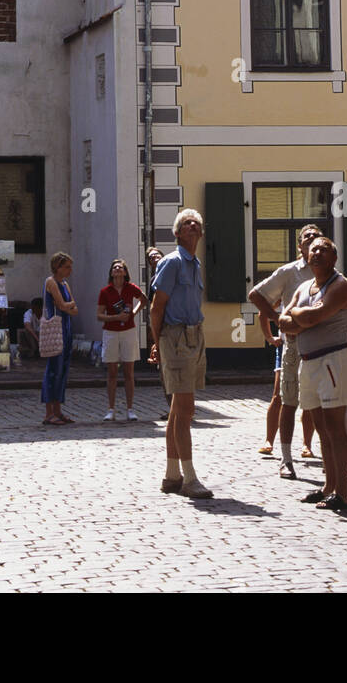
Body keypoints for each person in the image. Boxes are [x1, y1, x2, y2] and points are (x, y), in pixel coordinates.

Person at [282, 236, 347, 513]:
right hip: (308, 361)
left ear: (334, 258)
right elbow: (283, 321)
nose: (317, 253)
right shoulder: (303, 287)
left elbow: (311, 318)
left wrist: (301, 317)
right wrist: (304, 317)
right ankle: (328, 486)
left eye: (324, 250)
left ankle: (343, 493)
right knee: (321, 428)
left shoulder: (340, 286)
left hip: (332, 360)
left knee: (336, 428)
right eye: (313, 249)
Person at [149, 209, 213, 498]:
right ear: (177, 233)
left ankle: (172, 475)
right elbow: (156, 306)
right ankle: (189, 478)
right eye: (186, 223)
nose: (192, 226)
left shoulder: (195, 264)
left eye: (196, 223)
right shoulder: (172, 262)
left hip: (193, 335)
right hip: (175, 337)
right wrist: (158, 342)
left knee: (178, 409)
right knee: (186, 410)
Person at [248, 225, 319, 478]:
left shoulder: (332, 275)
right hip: (294, 345)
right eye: (306, 238)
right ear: (300, 246)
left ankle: (317, 450)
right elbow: (256, 294)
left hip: (324, 346)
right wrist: (278, 321)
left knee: (320, 403)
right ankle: (285, 458)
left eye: (317, 237)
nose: (312, 242)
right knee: (287, 400)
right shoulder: (289, 272)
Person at [97, 259, 146, 421]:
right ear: (111, 273)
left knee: (129, 372)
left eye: (120, 267)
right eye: (114, 267)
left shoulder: (131, 288)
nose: (117, 269)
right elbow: (99, 315)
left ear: (125, 272)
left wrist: (134, 313)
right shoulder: (105, 291)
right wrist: (116, 317)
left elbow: (144, 300)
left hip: (128, 331)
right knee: (112, 372)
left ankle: (130, 409)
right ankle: (110, 409)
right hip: (111, 332)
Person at [41, 253, 77, 425]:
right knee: (53, 370)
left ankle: (58, 409)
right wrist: (66, 306)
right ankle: (49, 413)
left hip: (67, 328)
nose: (70, 270)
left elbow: (73, 308)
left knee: (63, 370)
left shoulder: (64, 284)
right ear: (58, 266)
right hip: (56, 329)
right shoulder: (51, 282)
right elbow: (63, 305)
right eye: (67, 266)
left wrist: (66, 306)